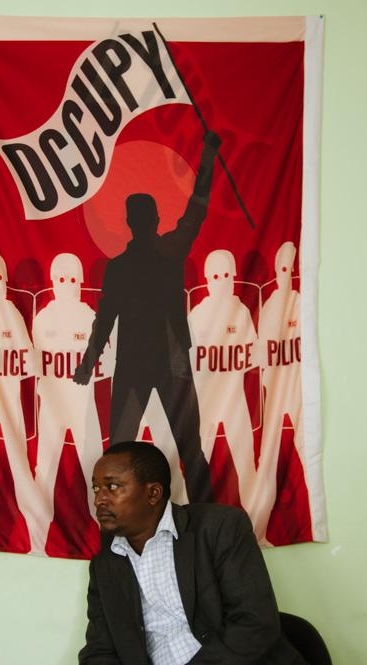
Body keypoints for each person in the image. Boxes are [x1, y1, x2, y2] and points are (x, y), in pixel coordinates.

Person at [73, 131, 222, 504]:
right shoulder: (168, 252)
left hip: (145, 364)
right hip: (164, 363)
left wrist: (89, 362)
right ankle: (203, 518)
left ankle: (117, 521)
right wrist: (209, 155)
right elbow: (197, 208)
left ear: (130, 221)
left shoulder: (122, 266)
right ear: (154, 219)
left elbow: (104, 318)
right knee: (188, 449)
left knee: (124, 452)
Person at [80, 441, 304, 665]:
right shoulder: (105, 565)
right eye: (96, 488)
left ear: (153, 493)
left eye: (112, 487)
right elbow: (99, 650)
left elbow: (254, 624)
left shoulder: (219, 528)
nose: (99, 500)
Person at [0, 249, 48, 554]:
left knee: (21, 469)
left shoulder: (12, 313)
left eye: (0, 277)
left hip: (10, 402)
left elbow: (31, 363)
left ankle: (36, 537)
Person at [32, 253, 106, 533]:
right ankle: (38, 533)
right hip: (52, 404)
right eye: (62, 279)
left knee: (95, 466)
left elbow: (106, 362)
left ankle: (103, 531)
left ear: (81, 283)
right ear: (52, 282)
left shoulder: (90, 318)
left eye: (72, 280)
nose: (67, 285)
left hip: (82, 405)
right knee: (45, 468)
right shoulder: (42, 318)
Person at [187, 249, 258, 507]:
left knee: (246, 459)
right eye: (216, 276)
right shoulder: (196, 315)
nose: (221, 281)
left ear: (234, 277)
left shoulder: (241, 313)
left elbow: (254, 356)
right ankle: (191, 527)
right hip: (204, 403)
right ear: (207, 280)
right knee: (196, 464)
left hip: (234, 400)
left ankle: (253, 521)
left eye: (226, 275)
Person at [248, 241, 303, 543]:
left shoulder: (301, 303)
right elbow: (257, 354)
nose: (286, 275)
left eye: (291, 269)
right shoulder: (269, 307)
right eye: (282, 269)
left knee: (306, 455)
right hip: (273, 392)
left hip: (298, 393)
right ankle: (257, 528)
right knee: (264, 461)